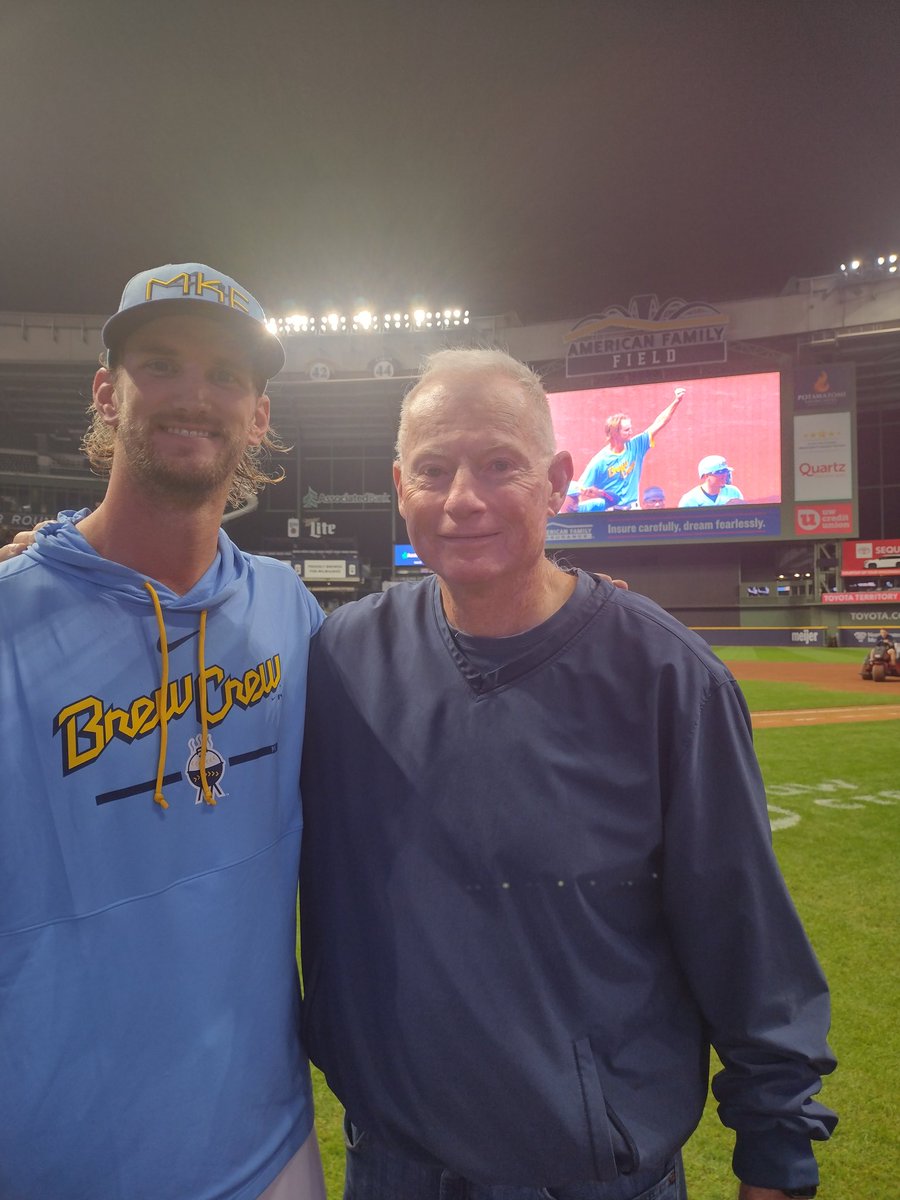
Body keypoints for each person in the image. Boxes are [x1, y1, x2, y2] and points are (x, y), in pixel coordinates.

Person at [299, 348, 836, 1200]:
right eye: (434, 470)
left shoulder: (667, 676)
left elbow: (744, 932)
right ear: (400, 486)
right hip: (392, 1165)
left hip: (591, 1177)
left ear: (557, 480)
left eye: (499, 464)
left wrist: (777, 1155)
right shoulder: (341, 655)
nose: (462, 498)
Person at [0, 264, 326, 1199]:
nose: (195, 395)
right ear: (109, 391)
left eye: (227, 375)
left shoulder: (289, 611)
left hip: (271, 1149)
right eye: (162, 363)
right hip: (54, 1161)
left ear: (259, 415)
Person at [568, 386, 686, 511]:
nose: (631, 432)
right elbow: (579, 488)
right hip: (609, 512)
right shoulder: (599, 461)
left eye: (630, 428)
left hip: (633, 509)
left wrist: (676, 401)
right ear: (614, 433)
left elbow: (660, 422)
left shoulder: (636, 446)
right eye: (627, 430)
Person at [678, 454, 744, 507]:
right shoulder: (689, 500)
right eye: (720, 472)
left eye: (725, 471)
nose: (724, 475)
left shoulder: (733, 492)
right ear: (706, 476)